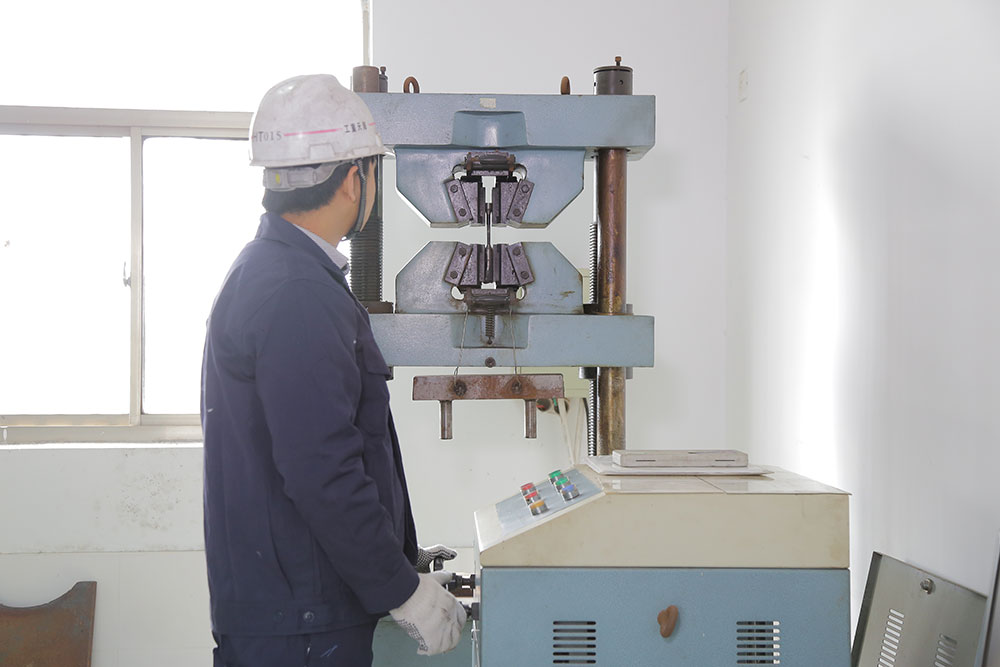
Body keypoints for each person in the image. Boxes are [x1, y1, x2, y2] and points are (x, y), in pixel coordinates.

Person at [201, 73, 467, 667]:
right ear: (353, 179)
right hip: (304, 624)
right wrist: (402, 591)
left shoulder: (275, 274)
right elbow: (322, 468)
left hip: (294, 611)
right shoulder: (296, 293)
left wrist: (399, 563)